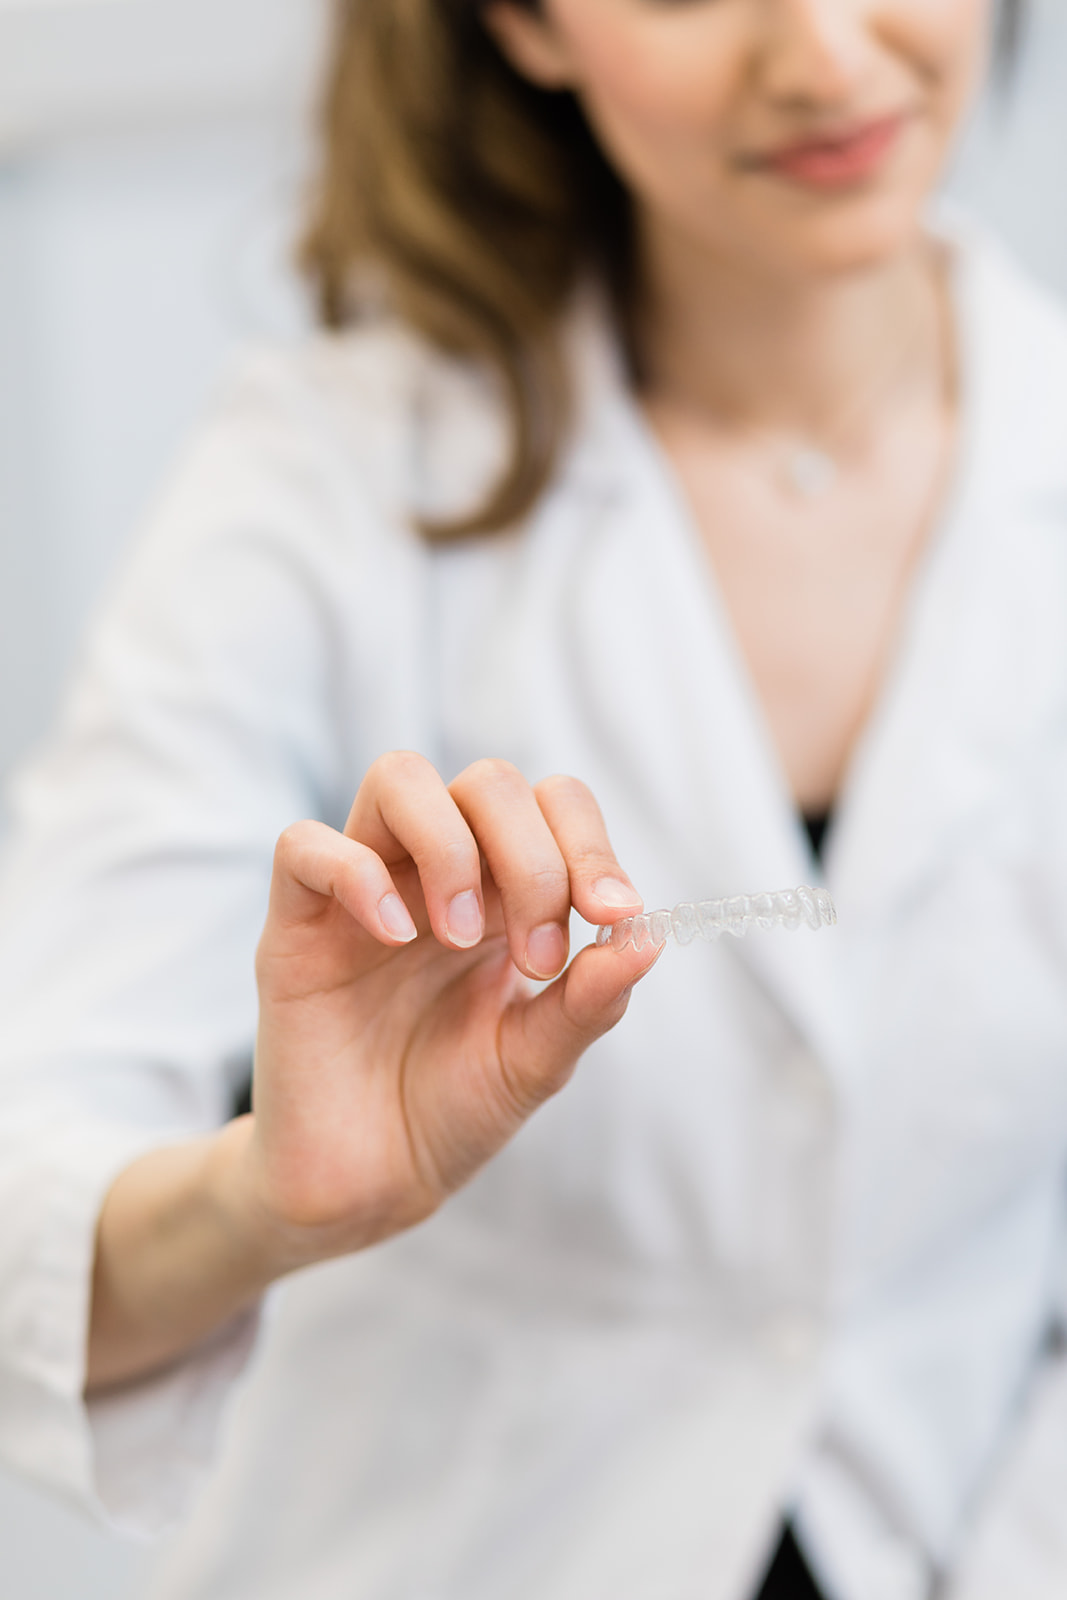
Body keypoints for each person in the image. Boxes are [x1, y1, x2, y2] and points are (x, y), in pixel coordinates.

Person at [1, 0, 1065, 1596]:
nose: (829, 56)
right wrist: (259, 1202)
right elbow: (26, 1191)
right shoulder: (327, 477)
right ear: (524, 20)